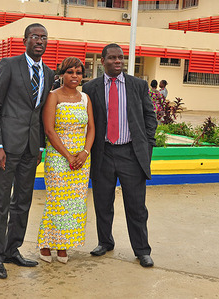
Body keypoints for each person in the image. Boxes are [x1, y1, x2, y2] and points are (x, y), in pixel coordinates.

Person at [0, 23, 54, 279]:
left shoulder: (48, 73)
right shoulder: (9, 65)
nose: (40, 40)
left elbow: (39, 114)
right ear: (25, 40)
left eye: (44, 37)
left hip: (30, 149)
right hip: (7, 147)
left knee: (23, 201)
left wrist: (39, 147)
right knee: (0, 202)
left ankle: (11, 249)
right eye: (35, 36)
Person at [82, 43, 157, 267]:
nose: (118, 61)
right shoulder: (91, 88)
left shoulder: (138, 85)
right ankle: (105, 242)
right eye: (113, 58)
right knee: (102, 203)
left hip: (130, 154)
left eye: (120, 58)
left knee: (136, 206)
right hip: (103, 153)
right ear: (103, 60)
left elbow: (149, 117)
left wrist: (146, 147)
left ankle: (142, 250)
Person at [37, 57, 95, 264]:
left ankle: (62, 245)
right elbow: (49, 130)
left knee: (75, 204)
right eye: (70, 72)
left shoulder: (85, 98)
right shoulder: (53, 96)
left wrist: (84, 153)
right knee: (57, 201)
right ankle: (45, 243)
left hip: (82, 158)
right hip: (59, 157)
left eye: (78, 73)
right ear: (62, 74)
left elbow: (92, 129)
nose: (75, 76)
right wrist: (69, 156)